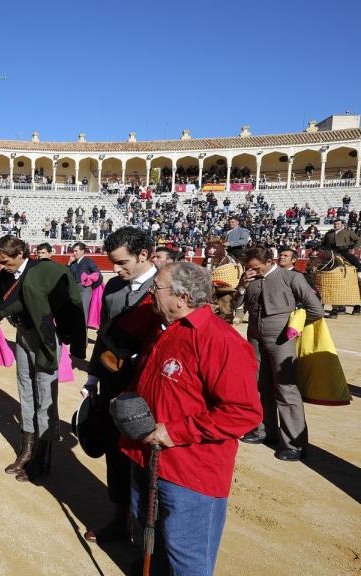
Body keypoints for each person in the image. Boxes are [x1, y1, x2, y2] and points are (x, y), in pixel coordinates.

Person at [123, 262, 262, 576]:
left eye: (156, 287)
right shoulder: (164, 329)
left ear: (181, 297)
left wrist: (174, 432)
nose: (150, 293)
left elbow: (244, 412)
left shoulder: (220, 340)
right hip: (148, 458)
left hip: (189, 470)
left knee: (185, 556)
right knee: (150, 542)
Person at [0, 236, 85, 482]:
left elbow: (66, 306)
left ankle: (43, 459)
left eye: (5, 261)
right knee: (26, 391)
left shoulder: (42, 271)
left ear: (20, 253)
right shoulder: (8, 275)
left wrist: (63, 336)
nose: (2, 266)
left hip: (45, 340)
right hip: (23, 338)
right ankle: (27, 451)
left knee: (46, 396)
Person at [81, 226, 157, 543]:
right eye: (113, 262)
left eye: (122, 262)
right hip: (113, 385)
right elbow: (105, 337)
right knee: (115, 451)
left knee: (145, 459)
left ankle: (147, 527)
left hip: (149, 391)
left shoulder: (166, 288)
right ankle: (119, 517)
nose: (116, 270)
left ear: (143, 255)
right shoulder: (113, 288)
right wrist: (94, 374)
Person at [231, 246, 324, 461]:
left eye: (256, 267)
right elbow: (235, 305)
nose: (253, 271)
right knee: (258, 383)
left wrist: (295, 326)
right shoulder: (250, 278)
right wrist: (243, 287)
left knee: (286, 387)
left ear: (269, 261)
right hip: (254, 335)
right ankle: (265, 430)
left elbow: (315, 309)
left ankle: (294, 443)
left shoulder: (291, 277)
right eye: (249, 268)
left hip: (282, 337)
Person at [68, 242, 102, 322]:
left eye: (76, 251)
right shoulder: (73, 262)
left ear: (82, 251)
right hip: (73, 289)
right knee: (73, 310)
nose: (74, 253)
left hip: (84, 289)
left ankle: (83, 333)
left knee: (83, 311)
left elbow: (98, 275)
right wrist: (69, 263)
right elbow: (66, 274)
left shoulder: (88, 261)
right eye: (73, 251)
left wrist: (90, 286)